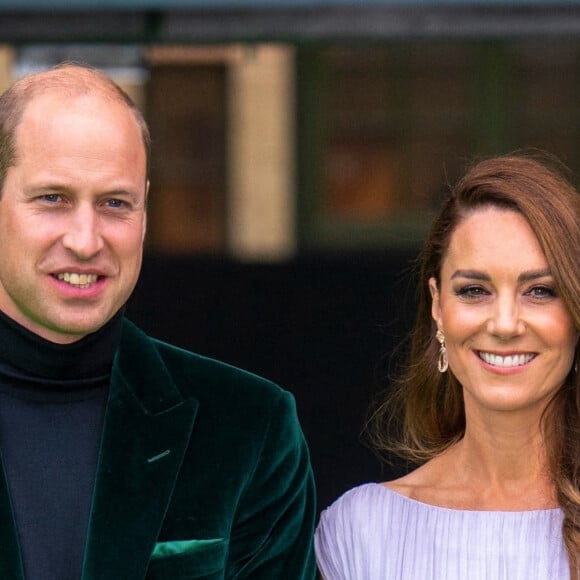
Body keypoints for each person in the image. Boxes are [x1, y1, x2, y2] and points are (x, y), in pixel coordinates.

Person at [0, 62, 316, 580]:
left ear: (145, 214)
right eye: (53, 198)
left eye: (115, 203)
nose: (85, 239)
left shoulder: (249, 426)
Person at [315, 152, 579, 579]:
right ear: (438, 304)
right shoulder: (361, 531)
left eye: (540, 291)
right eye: (475, 290)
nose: (505, 324)